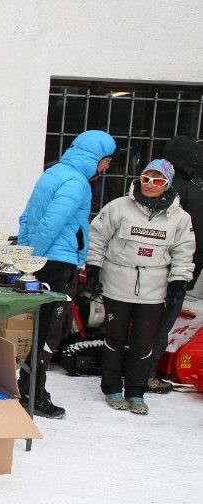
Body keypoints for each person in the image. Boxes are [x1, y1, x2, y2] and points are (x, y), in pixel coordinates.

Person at [17, 129, 116, 419]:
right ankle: (34, 395)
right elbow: (52, 222)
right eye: (107, 160)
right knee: (50, 331)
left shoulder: (53, 173)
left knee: (42, 328)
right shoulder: (77, 183)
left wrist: (26, 251)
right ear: (97, 157)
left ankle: (31, 389)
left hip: (44, 259)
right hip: (57, 264)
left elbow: (26, 216)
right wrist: (34, 258)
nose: (107, 166)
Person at [85, 159, 194, 414]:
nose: (151, 185)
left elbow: (183, 252)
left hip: (153, 288)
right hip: (117, 283)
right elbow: (97, 237)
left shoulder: (180, 217)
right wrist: (93, 268)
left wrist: (178, 281)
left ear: (167, 185)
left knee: (143, 342)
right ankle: (111, 388)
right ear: (140, 179)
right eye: (147, 179)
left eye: (158, 181)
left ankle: (136, 392)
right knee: (115, 337)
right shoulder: (119, 207)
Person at [146, 136, 203, 393]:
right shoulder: (193, 193)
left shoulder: (151, 185)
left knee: (141, 321)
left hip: (142, 269)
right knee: (162, 322)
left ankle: (133, 368)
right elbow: (198, 239)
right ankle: (147, 374)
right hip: (175, 271)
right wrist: (190, 275)